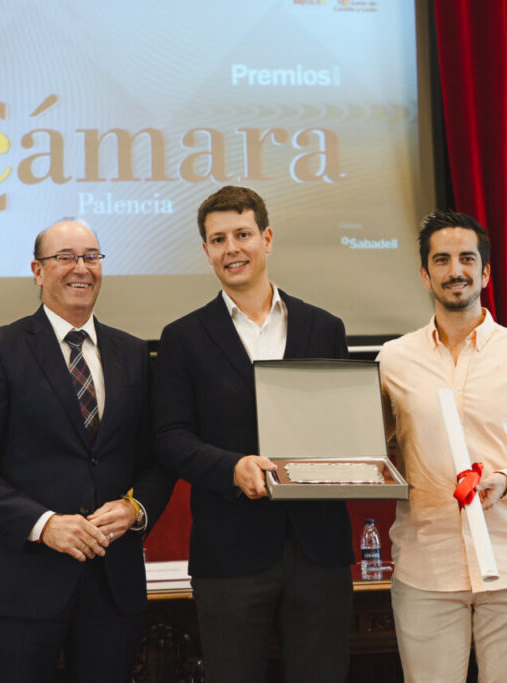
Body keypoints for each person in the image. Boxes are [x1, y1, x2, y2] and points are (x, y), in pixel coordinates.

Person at [0, 218, 172, 682]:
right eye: (65, 257)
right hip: (24, 586)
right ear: (37, 270)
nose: (80, 268)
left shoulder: (132, 353)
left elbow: (157, 460)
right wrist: (43, 524)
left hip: (113, 587)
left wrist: (136, 508)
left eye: (91, 257)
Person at [153, 185, 354, 682]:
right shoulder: (183, 338)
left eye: (242, 234)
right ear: (206, 252)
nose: (231, 249)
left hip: (319, 550)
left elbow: (344, 427)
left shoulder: (324, 327)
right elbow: (171, 437)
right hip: (230, 552)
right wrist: (231, 467)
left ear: (266, 238)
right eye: (218, 240)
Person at [377, 210, 507, 682]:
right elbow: (371, 450)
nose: (456, 271)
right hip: (425, 569)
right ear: (425, 274)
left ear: (486, 272)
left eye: (467, 259)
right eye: (442, 260)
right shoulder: (392, 359)